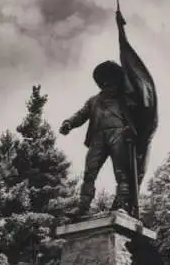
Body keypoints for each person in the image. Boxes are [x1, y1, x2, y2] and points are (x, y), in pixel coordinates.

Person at [59, 59, 138, 218]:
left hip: (119, 134)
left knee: (122, 172)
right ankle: (83, 206)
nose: (107, 83)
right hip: (97, 137)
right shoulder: (93, 101)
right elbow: (81, 115)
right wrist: (69, 123)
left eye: (111, 78)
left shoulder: (125, 98)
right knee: (89, 172)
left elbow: (138, 116)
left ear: (117, 79)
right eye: (104, 79)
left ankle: (123, 204)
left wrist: (133, 131)